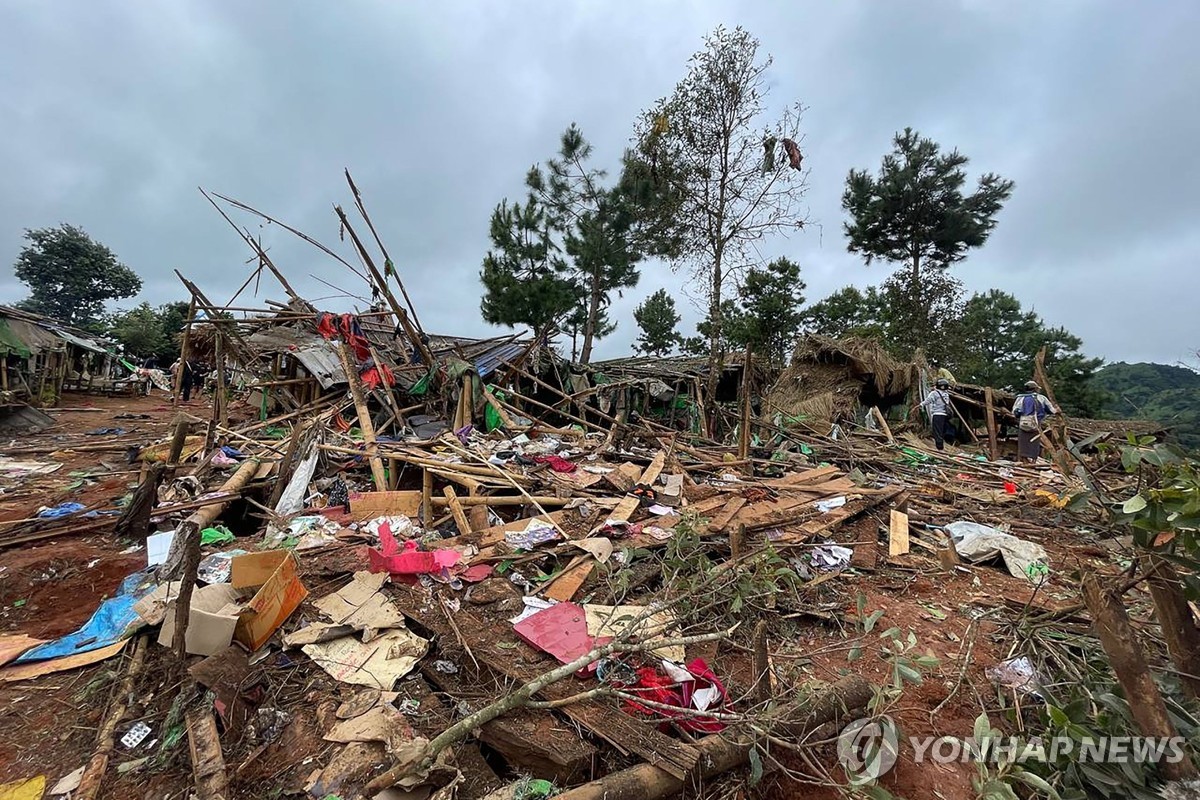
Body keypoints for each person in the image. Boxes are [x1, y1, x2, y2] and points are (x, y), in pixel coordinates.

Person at [1013, 381, 1056, 462]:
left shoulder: (1020, 398)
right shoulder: (1041, 398)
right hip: (1036, 423)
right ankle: (1033, 461)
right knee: (1035, 442)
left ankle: (1024, 460)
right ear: (1035, 389)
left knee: (1023, 442)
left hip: (1023, 423)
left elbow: (1015, 412)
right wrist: (1056, 411)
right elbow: (1051, 410)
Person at [916, 378, 954, 451]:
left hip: (937, 415)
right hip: (945, 415)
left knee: (937, 432)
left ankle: (940, 449)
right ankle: (942, 447)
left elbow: (928, 400)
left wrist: (921, 405)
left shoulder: (935, 393)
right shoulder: (946, 394)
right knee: (942, 431)